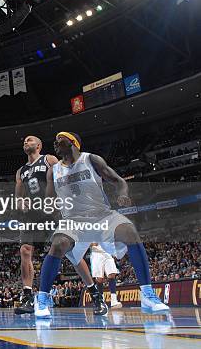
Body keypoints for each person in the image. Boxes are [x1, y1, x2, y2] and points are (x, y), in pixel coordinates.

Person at [34, 132, 170, 318]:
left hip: (102, 216)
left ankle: (147, 295)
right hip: (73, 221)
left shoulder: (91, 159)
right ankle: (42, 300)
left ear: (73, 143)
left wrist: (123, 194)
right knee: (58, 245)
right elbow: (49, 201)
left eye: (60, 140)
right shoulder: (53, 170)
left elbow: (119, 181)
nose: (55, 143)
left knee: (130, 231)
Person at [14, 135, 100, 315]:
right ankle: (28, 297)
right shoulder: (20, 171)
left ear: (38, 145)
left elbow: (64, 178)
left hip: (52, 211)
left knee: (72, 254)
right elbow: (18, 197)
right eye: (24, 141)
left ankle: (94, 293)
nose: (25, 142)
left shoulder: (49, 159)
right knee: (25, 250)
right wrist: (21, 203)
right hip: (32, 215)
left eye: (29, 140)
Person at [90, 243, 123, 308]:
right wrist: (91, 244)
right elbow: (84, 243)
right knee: (99, 279)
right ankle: (101, 301)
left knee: (112, 275)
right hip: (96, 254)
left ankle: (114, 301)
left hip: (107, 253)